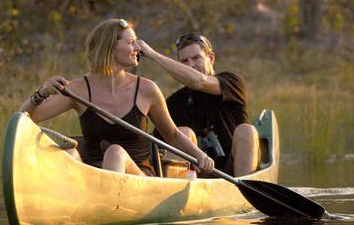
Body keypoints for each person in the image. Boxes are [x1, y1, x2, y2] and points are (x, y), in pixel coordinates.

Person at [18, 18, 213, 177]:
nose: (138, 47)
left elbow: (172, 135)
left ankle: (110, 208)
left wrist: (200, 156)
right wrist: (41, 93)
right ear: (110, 48)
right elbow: (22, 120)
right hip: (94, 178)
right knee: (69, 154)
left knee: (115, 152)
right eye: (130, 43)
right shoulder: (78, 89)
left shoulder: (146, 89)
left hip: (139, 178)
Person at [138, 34, 259, 177]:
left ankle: (245, 191)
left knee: (247, 130)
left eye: (196, 58)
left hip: (234, 170)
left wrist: (152, 54)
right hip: (194, 174)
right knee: (183, 133)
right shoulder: (173, 102)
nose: (191, 65)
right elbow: (157, 146)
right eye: (184, 61)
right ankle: (174, 192)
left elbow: (198, 82)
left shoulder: (232, 83)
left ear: (211, 58)